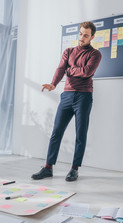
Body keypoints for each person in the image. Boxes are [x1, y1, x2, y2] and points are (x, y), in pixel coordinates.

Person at [31, 21, 102, 182]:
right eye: (80, 34)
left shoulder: (95, 54)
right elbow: (60, 69)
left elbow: (86, 72)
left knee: (80, 134)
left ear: (92, 37)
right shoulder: (68, 51)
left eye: (86, 35)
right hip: (67, 96)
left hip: (83, 97)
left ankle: (74, 169)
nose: (82, 37)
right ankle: (48, 167)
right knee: (56, 132)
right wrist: (54, 84)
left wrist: (69, 70)